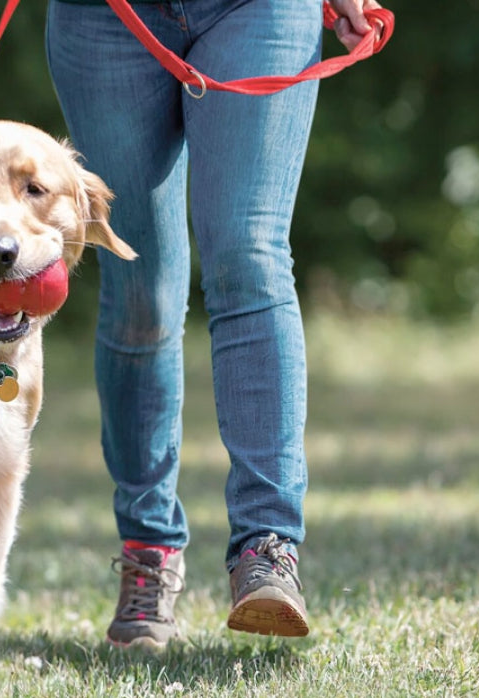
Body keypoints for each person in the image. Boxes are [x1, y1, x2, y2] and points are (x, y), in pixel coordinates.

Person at [45, 0, 384, 646]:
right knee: (140, 286)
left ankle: (267, 547)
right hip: (104, 17)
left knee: (248, 256)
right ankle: (149, 552)